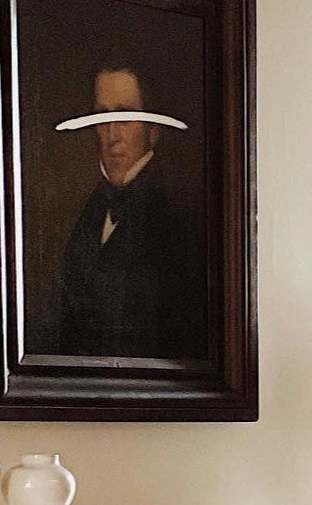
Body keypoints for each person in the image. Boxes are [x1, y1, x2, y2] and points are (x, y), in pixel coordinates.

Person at [55, 60, 206, 361]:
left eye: (125, 117)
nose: (113, 134)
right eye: (103, 117)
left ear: (153, 130)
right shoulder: (88, 210)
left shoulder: (177, 216)